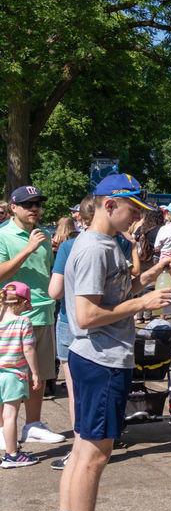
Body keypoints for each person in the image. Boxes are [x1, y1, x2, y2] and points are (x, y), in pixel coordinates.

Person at [51, 175, 171, 511]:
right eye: (132, 210)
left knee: (81, 451)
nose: (137, 218)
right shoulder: (92, 248)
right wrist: (142, 304)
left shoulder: (107, 244)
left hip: (97, 358)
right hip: (101, 360)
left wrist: (145, 281)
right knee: (93, 456)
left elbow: (109, 294)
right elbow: (85, 316)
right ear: (109, 205)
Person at [0, 185, 62, 445]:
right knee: (9, 375)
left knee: (41, 373)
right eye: (28, 204)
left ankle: (33, 425)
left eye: (38, 203)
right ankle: (4, 429)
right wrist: (27, 249)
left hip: (42, 312)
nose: (35, 208)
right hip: (11, 317)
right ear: (13, 207)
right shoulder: (3, 235)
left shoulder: (43, 234)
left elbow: (47, 272)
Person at [48, 193, 95, 472]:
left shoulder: (68, 246)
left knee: (76, 391)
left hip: (71, 321)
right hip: (109, 324)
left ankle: (79, 450)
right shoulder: (120, 243)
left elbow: (55, 291)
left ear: (81, 216)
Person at [1, 281, 41, 468]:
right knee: (10, 416)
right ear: (24, 303)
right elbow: (29, 349)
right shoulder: (23, 322)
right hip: (13, 375)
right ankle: (12, 455)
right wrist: (35, 373)